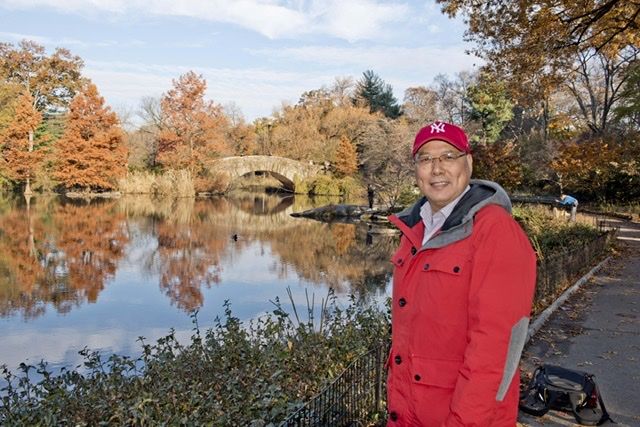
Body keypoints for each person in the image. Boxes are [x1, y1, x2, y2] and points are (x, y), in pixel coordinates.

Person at [386, 121, 537, 426]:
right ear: (416, 170)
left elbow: (495, 350)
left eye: (448, 156)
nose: (437, 168)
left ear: (468, 163)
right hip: (408, 413)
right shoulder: (415, 229)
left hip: (462, 416)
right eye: (426, 159)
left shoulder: (494, 231)